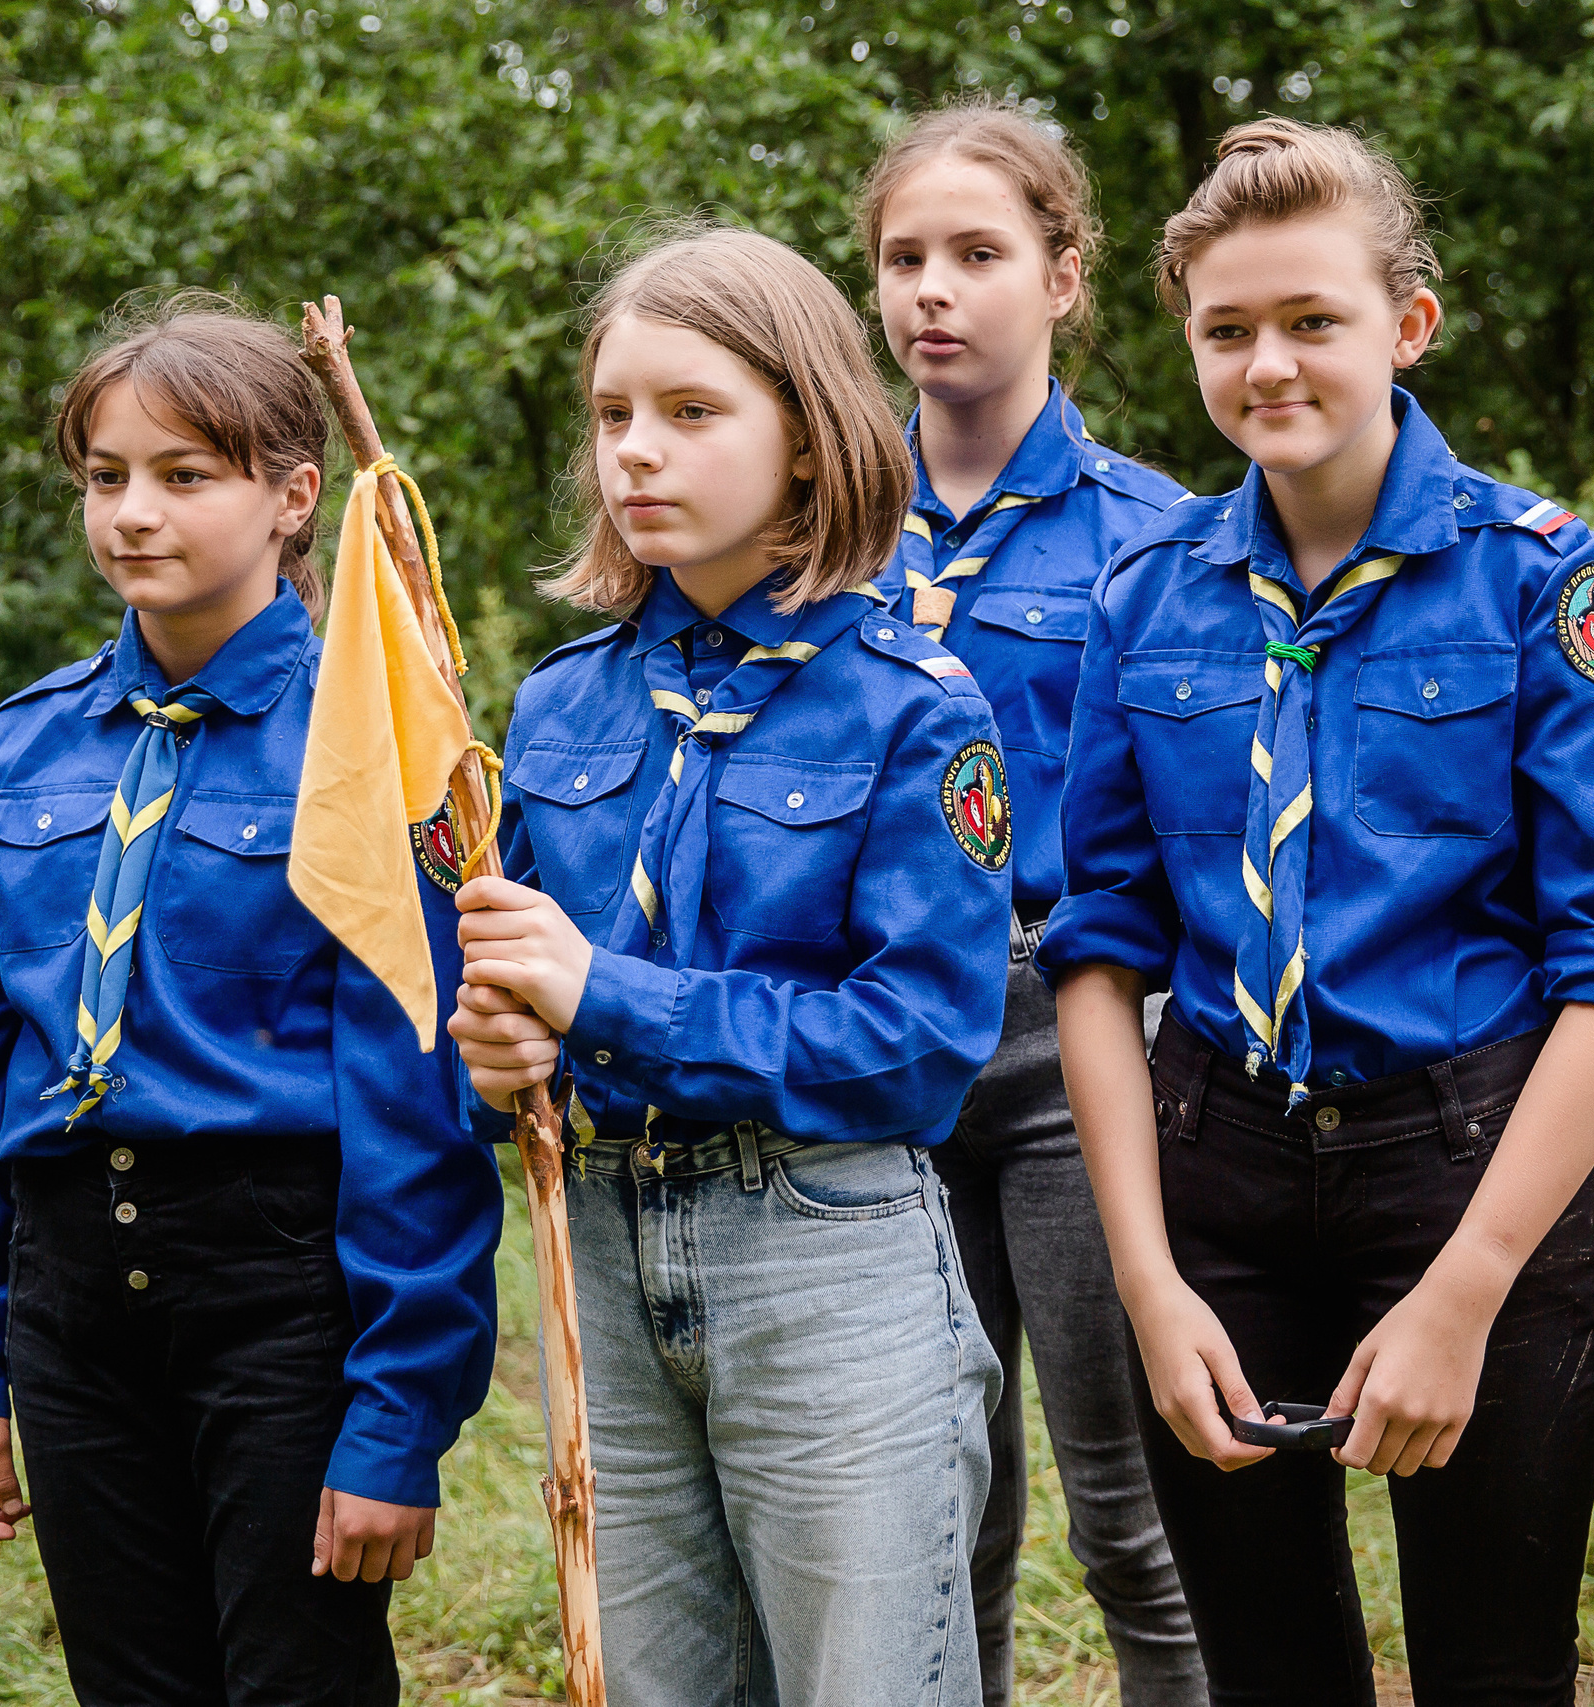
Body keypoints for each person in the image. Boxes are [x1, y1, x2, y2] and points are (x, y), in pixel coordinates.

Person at [1036, 118, 1594, 1707]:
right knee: (1264, 1668)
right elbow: (1099, 947)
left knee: (1494, 1663)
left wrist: (1464, 1292)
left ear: (1408, 326)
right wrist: (1149, 1278)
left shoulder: (1543, 582)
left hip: (1467, 1167)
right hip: (1218, 1177)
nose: (1269, 362)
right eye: (1227, 329)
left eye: (1311, 320)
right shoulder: (1149, 596)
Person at [445, 225, 1010, 1707]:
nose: (638, 452)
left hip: (825, 1249)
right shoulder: (559, 706)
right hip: (610, 1258)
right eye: (615, 414)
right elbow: (524, 995)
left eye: (693, 414)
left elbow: (922, 1041)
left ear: (813, 445)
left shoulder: (914, 710)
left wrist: (600, 997)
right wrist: (501, 1051)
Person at [0, 294, 503, 1707]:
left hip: (279, 1292)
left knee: (296, 1681)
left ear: (294, 494)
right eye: (105, 477)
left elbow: (418, 1098)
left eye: (186, 476)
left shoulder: (369, 745)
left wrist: (393, 1426)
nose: (133, 513)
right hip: (68, 1306)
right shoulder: (30, 745)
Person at [854, 100, 1203, 1707]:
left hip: (1083, 1041)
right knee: (942, 1502)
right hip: (886, 1049)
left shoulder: (1162, 536)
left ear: (1063, 277)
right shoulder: (820, 530)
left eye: (979, 254)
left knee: (1132, 1510)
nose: (936, 289)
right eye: (904, 257)